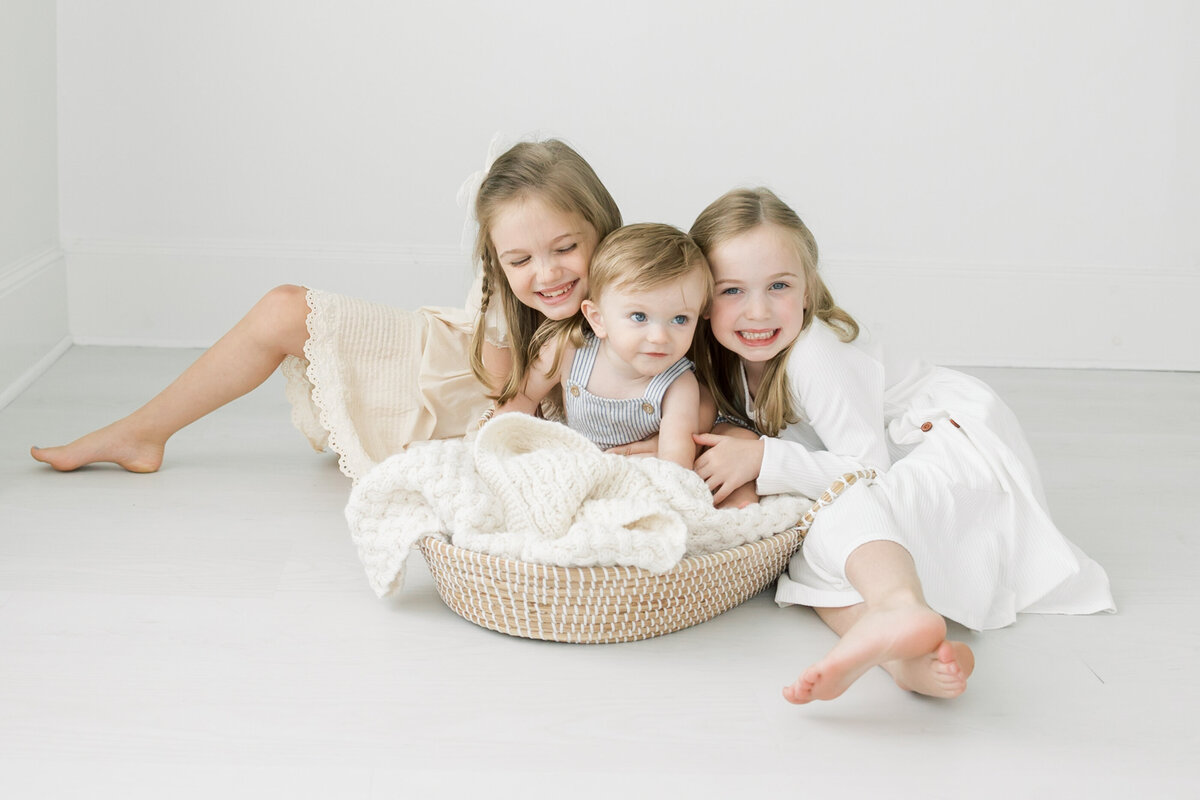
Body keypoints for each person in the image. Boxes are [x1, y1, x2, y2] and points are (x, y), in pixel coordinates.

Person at [687, 187, 1115, 703]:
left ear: (808, 288)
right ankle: (905, 658)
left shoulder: (813, 355)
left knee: (831, 516)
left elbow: (867, 468)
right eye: (732, 291)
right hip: (891, 459)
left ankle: (898, 602)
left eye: (778, 285)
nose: (757, 311)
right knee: (802, 559)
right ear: (702, 299)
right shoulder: (728, 358)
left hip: (948, 453)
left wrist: (765, 459)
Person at [31, 140, 622, 481]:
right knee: (282, 309)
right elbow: (498, 380)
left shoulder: (635, 294)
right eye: (519, 259)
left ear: (601, 225)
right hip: (452, 368)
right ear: (496, 258)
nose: (546, 274)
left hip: (487, 407)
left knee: (282, 309)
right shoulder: (505, 303)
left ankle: (140, 434)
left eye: (566, 248)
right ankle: (141, 432)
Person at [494, 223, 711, 470]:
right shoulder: (568, 350)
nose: (660, 337)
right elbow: (521, 398)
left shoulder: (678, 384)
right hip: (575, 463)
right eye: (639, 316)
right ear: (598, 319)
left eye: (680, 319)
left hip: (635, 472)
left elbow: (675, 464)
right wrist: (499, 445)